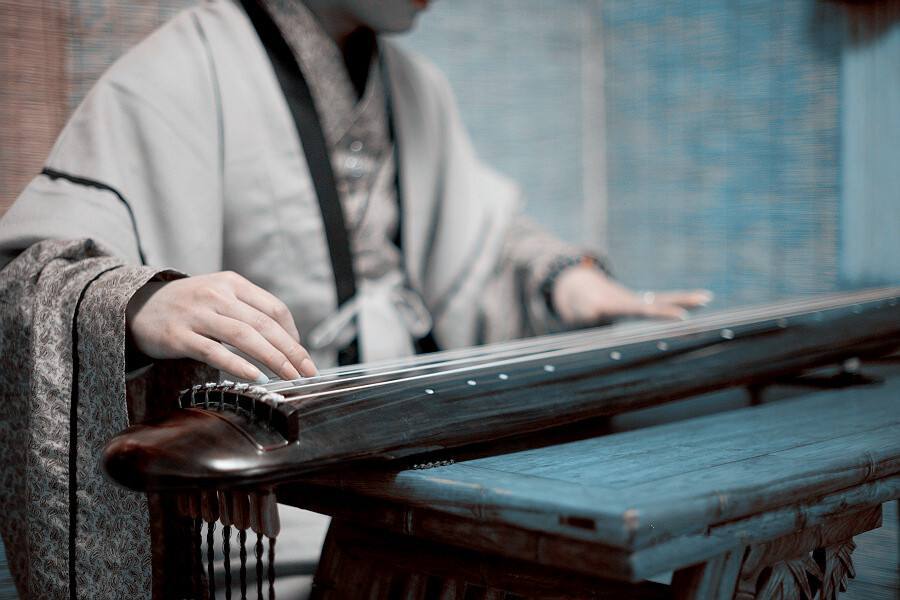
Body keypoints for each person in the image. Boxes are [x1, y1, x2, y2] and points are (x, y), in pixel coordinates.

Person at [0, 0, 709, 596]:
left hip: (418, 465)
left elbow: (485, 242)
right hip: (275, 503)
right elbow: (31, 275)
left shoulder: (415, 85)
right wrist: (135, 303)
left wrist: (563, 280)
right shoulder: (183, 66)